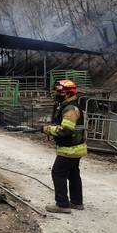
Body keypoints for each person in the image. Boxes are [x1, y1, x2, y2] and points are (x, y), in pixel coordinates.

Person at [42, 79, 87, 214]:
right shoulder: (68, 106)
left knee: (58, 173)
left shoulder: (70, 109)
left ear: (67, 94)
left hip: (70, 149)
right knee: (73, 174)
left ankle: (62, 205)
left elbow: (66, 130)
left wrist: (47, 129)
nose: (56, 94)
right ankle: (76, 202)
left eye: (59, 92)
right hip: (75, 148)